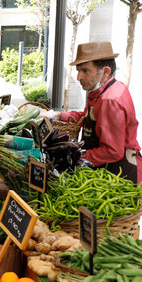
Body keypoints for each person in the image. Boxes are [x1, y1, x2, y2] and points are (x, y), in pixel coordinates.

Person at [56, 42, 140, 182]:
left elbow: (112, 151)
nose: (79, 77)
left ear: (105, 71)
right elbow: (86, 117)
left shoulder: (109, 100)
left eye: (85, 71)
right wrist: (57, 115)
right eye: (78, 71)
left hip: (117, 173)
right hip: (106, 168)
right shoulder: (105, 90)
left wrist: (75, 157)